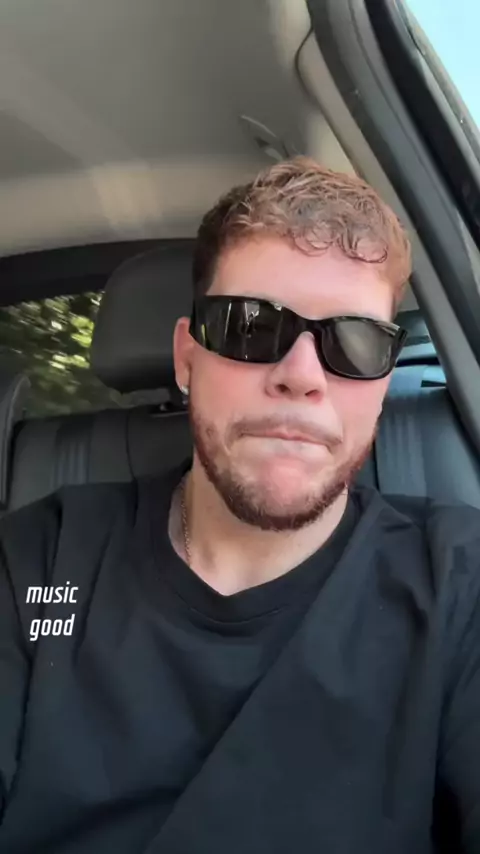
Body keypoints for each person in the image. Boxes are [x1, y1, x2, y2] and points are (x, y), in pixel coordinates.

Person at [1, 156, 479, 854]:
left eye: (356, 342)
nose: (301, 377)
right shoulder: (35, 562)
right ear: (187, 358)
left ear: (383, 382)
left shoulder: (461, 583)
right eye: (251, 326)